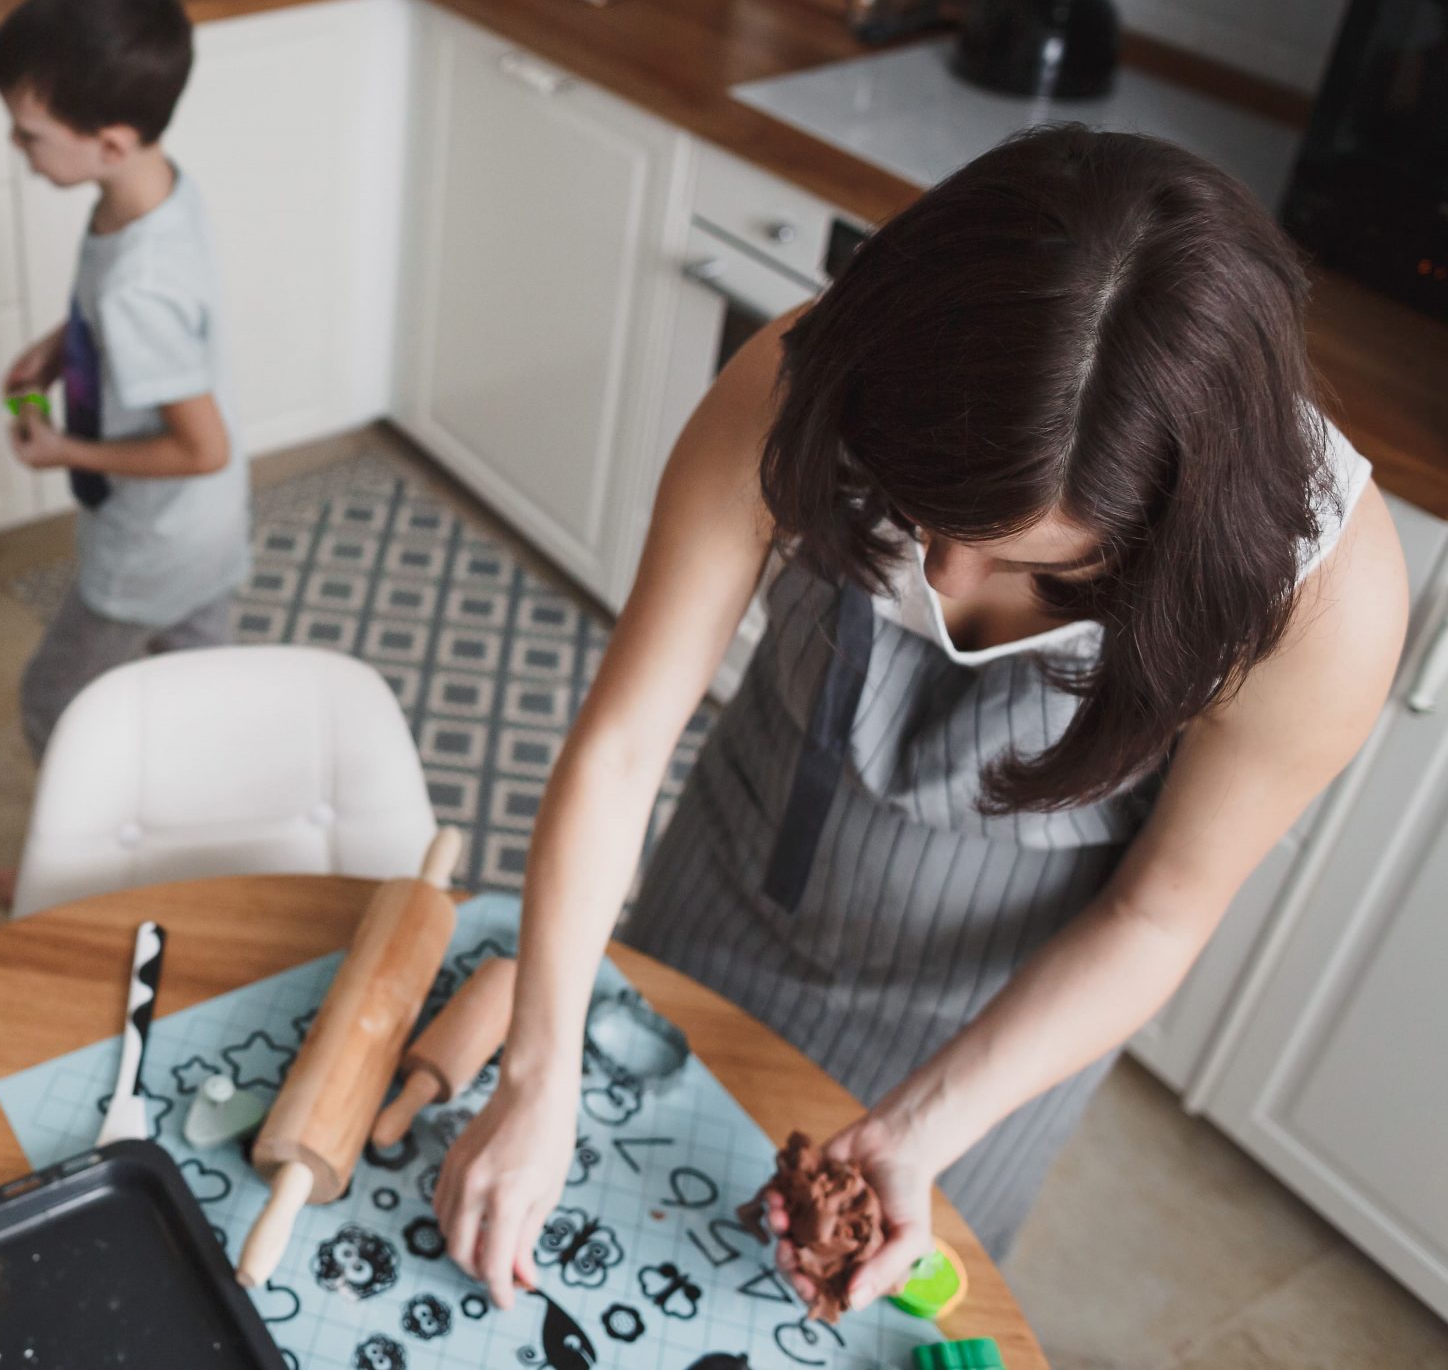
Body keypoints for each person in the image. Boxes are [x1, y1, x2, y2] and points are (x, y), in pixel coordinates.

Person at [430, 128, 1407, 1312]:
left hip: (1000, 1003)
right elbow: (626, 739)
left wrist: (924, 1126)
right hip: (734, 876)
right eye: (916, 510)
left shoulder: (1316, 596)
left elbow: (1159, 913)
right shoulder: (815, 371)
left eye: (1029, 560)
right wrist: (539, 1072)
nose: (939, 580)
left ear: (1166, 529)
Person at [0, 0, 249, 759]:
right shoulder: (155, 192)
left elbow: (201, 446)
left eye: (30, 132)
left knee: (52, 703)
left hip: (151, 544)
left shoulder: (140, 282)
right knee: (198, 694)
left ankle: (78, 868)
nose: (16, 145)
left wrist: (63, 449)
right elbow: (138, 314)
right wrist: (65, 341)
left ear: (108, 143)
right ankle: (193, 827)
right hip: (208, 530)